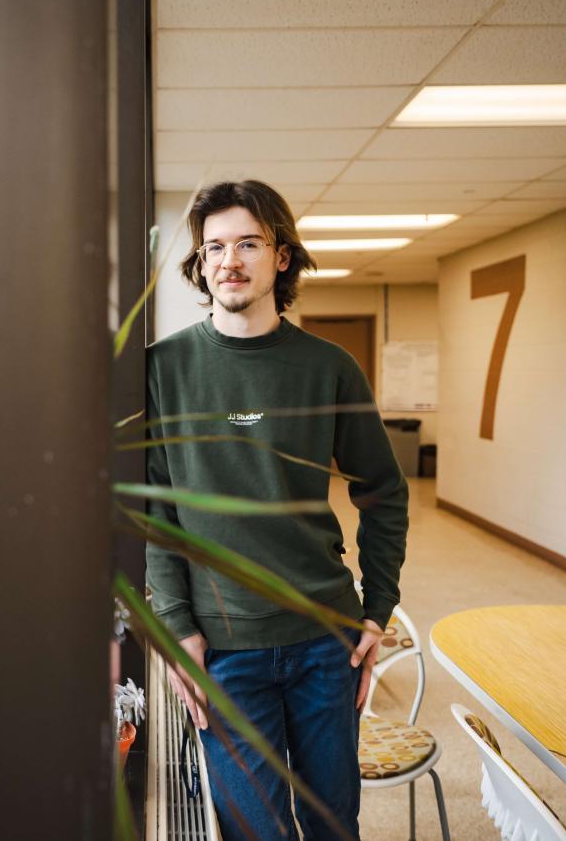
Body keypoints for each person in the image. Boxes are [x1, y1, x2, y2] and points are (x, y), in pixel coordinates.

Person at [144, 180, 408, 840]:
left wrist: (377, 608)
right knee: (255, 830)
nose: (228, 260)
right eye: (214, 247)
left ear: (282, 257)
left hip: (327, 641)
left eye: (248, 243)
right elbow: (154, 513)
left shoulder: (329, 367)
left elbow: (383, 489)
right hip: (225, 651)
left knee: (331, 824)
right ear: (201, 263)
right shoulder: (162, 370)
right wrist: (178, 625)